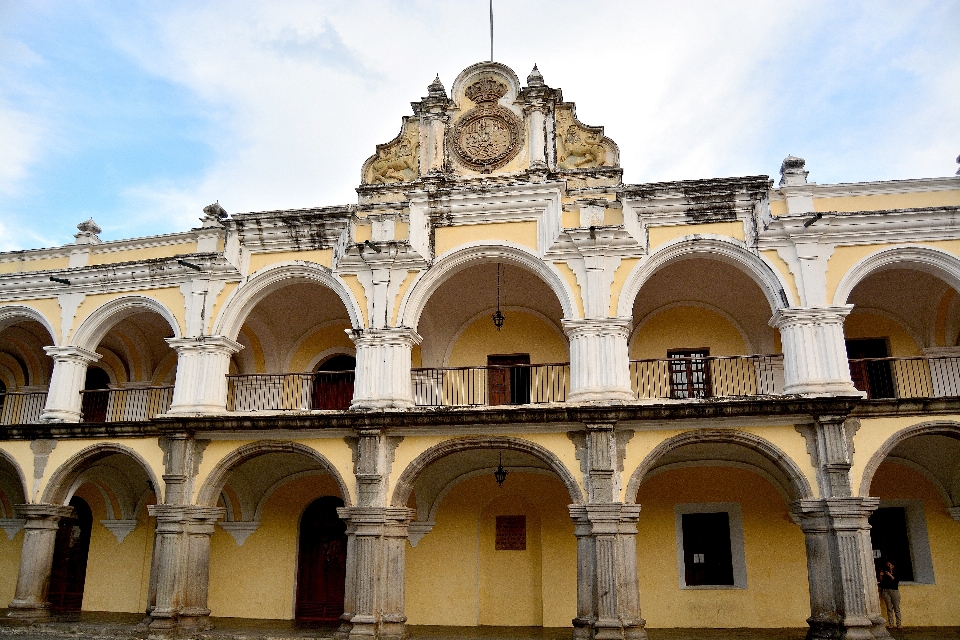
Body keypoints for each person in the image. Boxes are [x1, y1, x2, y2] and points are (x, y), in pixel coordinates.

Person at [878, 561, 902, 629]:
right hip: (886, 591)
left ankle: (899, 624)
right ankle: (891, 623)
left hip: (894, 591)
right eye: (887, 564)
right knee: (889, 608)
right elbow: (882, 582)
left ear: (893, 566)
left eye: (889, 564)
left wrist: (890, 575)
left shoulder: (896, 573)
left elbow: (896, 581)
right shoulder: (885, 573)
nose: (888, 566)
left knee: (896, 608)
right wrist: (881, 575)